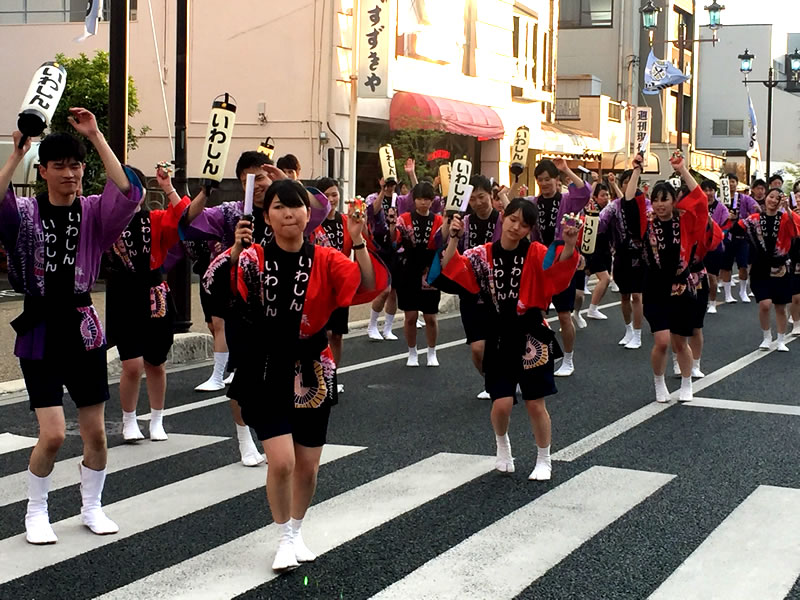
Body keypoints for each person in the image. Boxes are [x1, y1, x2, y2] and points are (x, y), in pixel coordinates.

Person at [204, 179, 388, 571]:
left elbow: (368, 286)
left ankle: (298, 528)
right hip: (266, 366)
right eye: (278, 207)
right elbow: (221, 293)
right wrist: (234, 254)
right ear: (266, 216)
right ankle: (284, 536)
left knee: (309, 465)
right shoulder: (251, 257)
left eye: (295, 206)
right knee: (282, 461)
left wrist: (357, 241)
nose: (288, 214)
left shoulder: (325, 258)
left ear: (308, 213)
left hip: (312, 367)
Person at [0, 110, 142, 544]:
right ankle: (37, 510)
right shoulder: (23, 213)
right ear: (42, 172)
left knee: (96, 432)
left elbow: (129, 191)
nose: (69, 173)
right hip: (39, 329)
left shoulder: (95, 212)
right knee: (55, 433)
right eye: (59, 165)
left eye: (75, 165)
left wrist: (97, 136)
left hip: (83, 328)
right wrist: (17, 151)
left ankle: (92, 506)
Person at [184, 150, 331, 466]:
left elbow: (321, 209)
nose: (257, 184)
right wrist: (206, 189)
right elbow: (190, 222)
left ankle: (281, 433)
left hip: (290, 311)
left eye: (261, 177)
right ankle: (244, 440)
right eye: (247, 180)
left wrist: (287, 185)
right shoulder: (234, 214)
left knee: (288, 377)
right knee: (242, 380)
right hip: (248, 312)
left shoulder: (291, 208)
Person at [440, 198, 580, 480]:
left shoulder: (537, 252)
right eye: (513, 219)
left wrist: (569, 243)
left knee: (534, 402)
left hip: (531, 333)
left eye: (524, 224)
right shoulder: (482, 253)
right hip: (498, 334)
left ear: (530, 229)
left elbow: (559, 270)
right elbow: (452, 269)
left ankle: (544, 458)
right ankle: (502, 445)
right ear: (503, 217)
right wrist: (453, 239)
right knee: (501, 402)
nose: (517, 227)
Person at [106, 165, 190, 442]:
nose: (128, 195)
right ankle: (128, 419)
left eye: (132, 189)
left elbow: (183, 217)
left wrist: (167, 187)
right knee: (131, 363)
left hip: (154, 293)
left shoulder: (154, 219)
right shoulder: (106, 220)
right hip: (122, 293)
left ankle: (157, 418)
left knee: (156, 361)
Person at [625, 152, 707, 403]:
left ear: (674, 201)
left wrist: (683, 170)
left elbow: (701, 200)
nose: (660, 204)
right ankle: (659, 382)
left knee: (680, 342)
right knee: (661, 341)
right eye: (656, 200)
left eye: (665, 199)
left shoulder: (686, 222)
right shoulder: (646, 224)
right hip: (655, 288)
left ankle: (686, 382)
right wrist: (637, 171)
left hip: (683, 286)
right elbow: (629, 201)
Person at [524, 158, 591, 377]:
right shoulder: (533, 203)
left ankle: (569, 359)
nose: (544, 184)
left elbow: (584, 193)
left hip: (562, 261)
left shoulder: (566, 200)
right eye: (540, 180)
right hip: (540, 263)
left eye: (548, 179)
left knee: (564, 314)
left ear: (555, 180)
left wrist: (566, 170)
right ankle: (539, 355)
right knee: (534, 314)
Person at [729, 188, 800, 352]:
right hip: (760, 267)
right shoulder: (753, 219)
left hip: (781, 267)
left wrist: (788, 210)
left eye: (777, 198)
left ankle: (781, 339)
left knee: (780, 307)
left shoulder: (785, 218)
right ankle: (767, 336)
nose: (773, 200)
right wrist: (731, 218)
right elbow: (735, 230)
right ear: (766, 198)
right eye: (771, 196)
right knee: (765, 304)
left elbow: (797, 230)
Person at [454, 175, 503, 399]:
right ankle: (490, 380)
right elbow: (446, 247)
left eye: (481, 197)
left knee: (503, 342)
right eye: (472, 199)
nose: (478, 203)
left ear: (490, 195)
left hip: (500, 289)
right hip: (471, 290)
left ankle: (510, 377)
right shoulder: (464, 223)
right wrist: (452, 233)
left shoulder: (503, 219)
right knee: (477, 347)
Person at [311, 177, 354, 393]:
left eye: (334, 194)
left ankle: (333, 375)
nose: (331, 199)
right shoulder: (312, 222)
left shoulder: (346, 221)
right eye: (326, 195)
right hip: (319, 282)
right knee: (323, 332)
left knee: (337, 333)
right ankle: (321, 374)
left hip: (340, 283)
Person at [394, 181, 443, 366]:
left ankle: (432, 351)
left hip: (429, 270)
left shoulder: (438, 220)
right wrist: (392, 228)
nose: (423, 203)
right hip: (408, 269)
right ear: (414, 200)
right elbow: (396, 242)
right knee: (411, 317)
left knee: (430, 316)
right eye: (420, 199)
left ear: (432, 201)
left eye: (427, 199)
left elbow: (442, 243)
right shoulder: (404, 218)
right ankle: (412, 351)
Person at [599, 169, 646, 348]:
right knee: (624, 295)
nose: (628, 185)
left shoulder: (645, 204)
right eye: (625, 182)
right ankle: (628, 330)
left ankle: (638, 333)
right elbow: (602, 221)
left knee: (637, 295)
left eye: (631, 181)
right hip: (620, 255)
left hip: (639, 256)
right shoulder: (615, 205)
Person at [719, 172, 759, 304]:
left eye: (733, 181)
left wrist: (742, 219)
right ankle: (728, 294)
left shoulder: (744, 198)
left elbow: (755, 212)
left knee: (743, 265)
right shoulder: (719, 200)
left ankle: (743, 291)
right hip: (726, 236)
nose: (730, 184)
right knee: (726, 266)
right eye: (728, 181)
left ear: (737, 183)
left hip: (742, 236)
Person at [583, 181, 613, 321]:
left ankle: (579, 306)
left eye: (607, 194)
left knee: (588, 272)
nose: (606, 197)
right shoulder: (592, 208)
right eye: (602, 195)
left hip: (605, 248)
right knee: (605, 278)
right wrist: (594, 182)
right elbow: (587, 197)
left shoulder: (611, 208)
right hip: (594, 248)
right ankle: (592, 309)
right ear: (595, 197)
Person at [700, 180, 729, 314]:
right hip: (699, 245)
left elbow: (725, 227)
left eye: (711, 190)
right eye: (705, 190)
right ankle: (701, 300)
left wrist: (712, 225)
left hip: (714, 245)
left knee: (712, 276)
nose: (708, 193)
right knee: (698, 276)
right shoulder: (698, 206)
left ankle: (712, 302)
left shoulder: (721, 207)